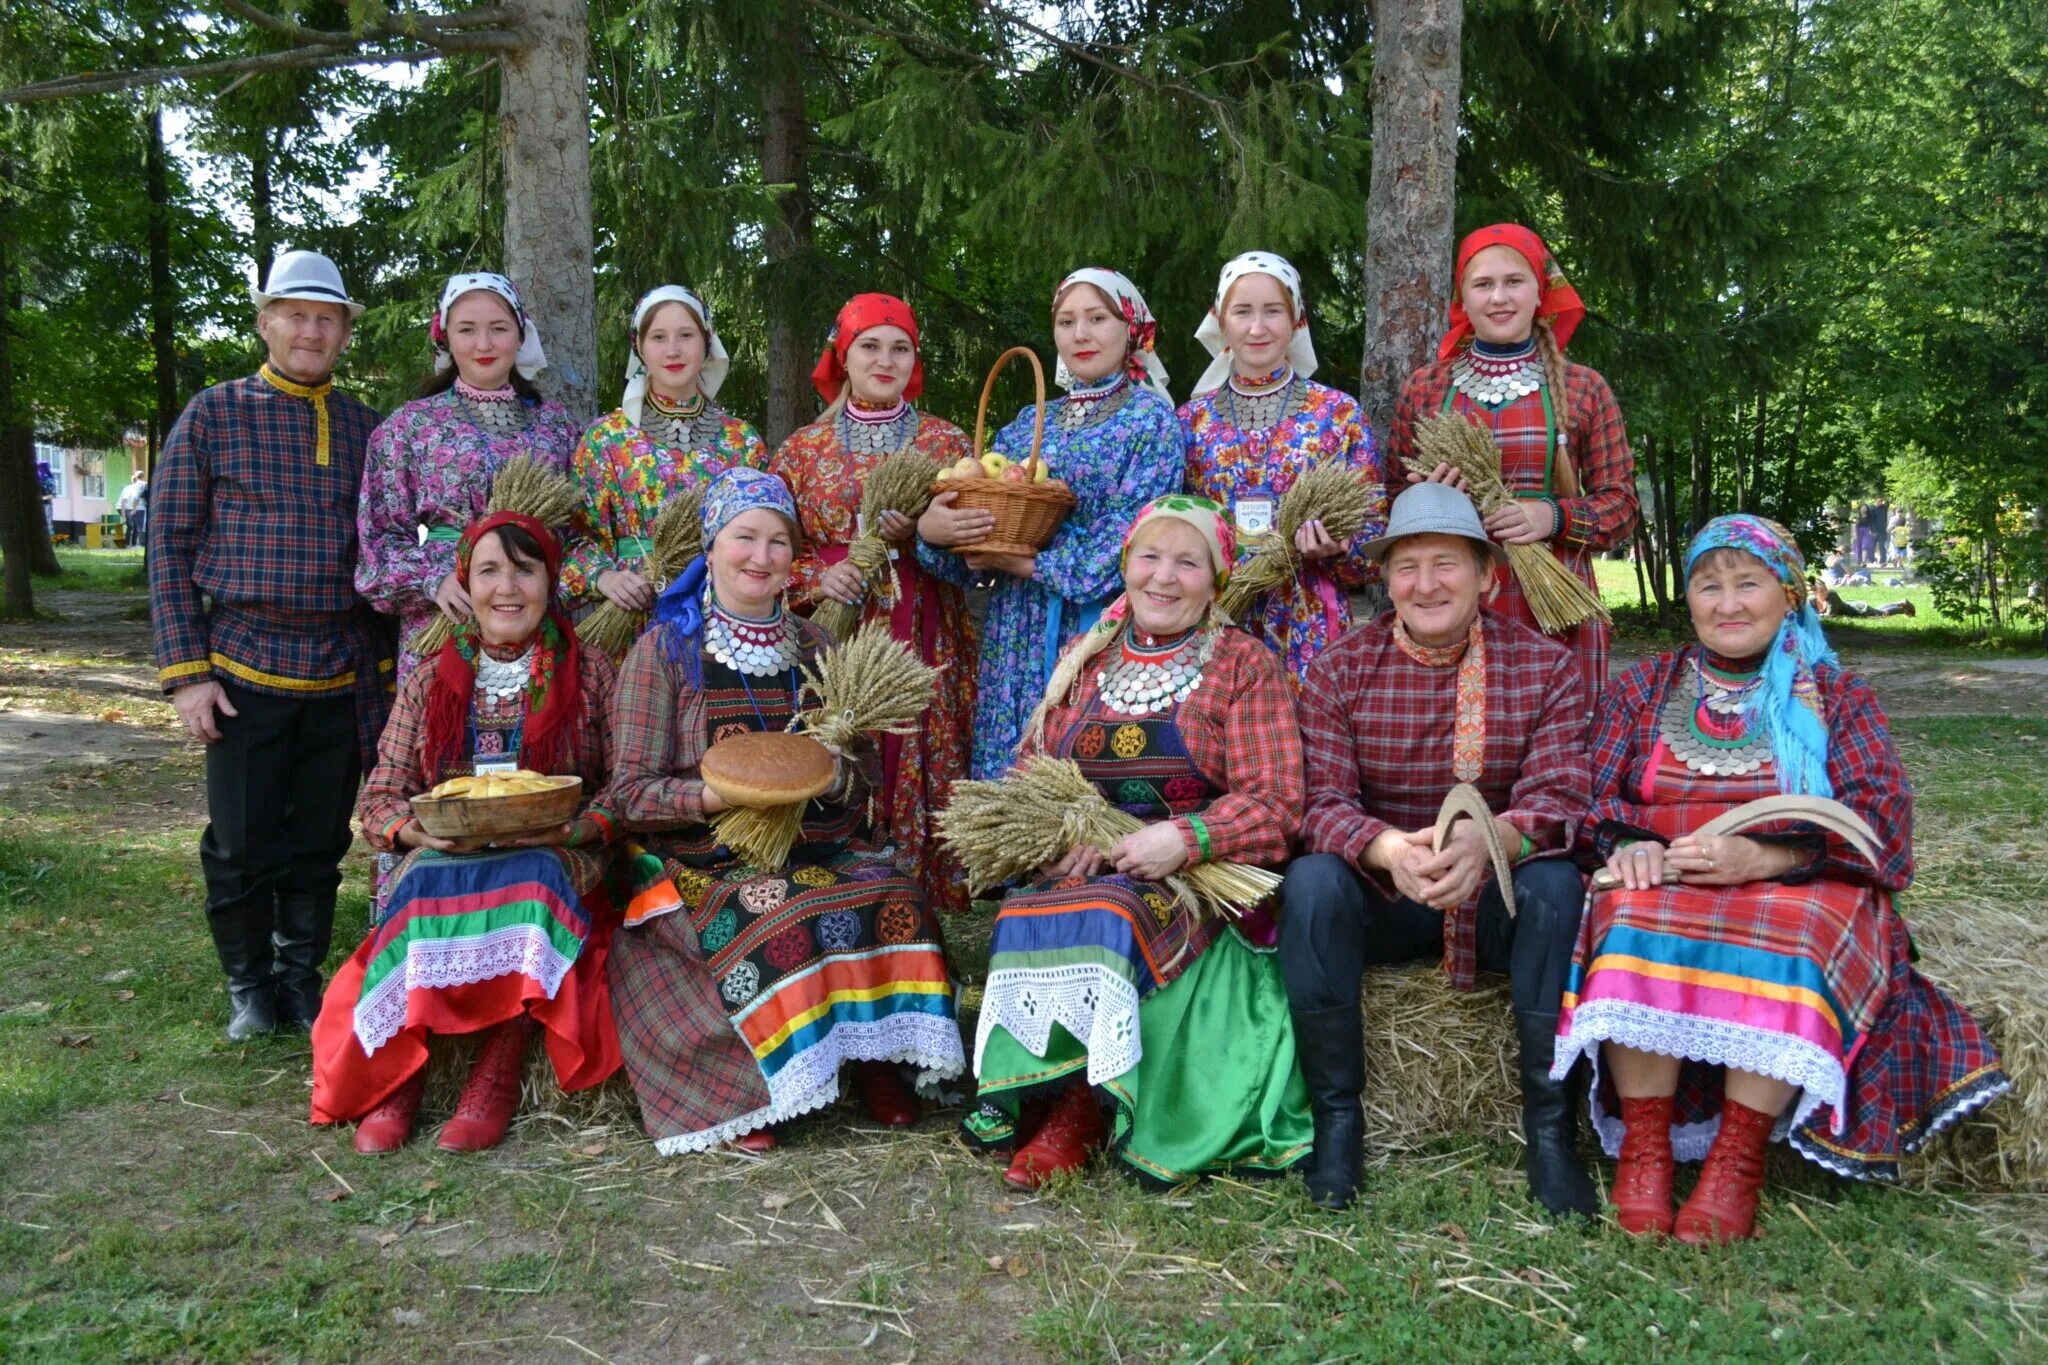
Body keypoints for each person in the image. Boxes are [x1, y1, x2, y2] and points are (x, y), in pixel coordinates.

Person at [1557, 515, 2009, 1243]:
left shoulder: (1835, 695)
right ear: (1690, 598)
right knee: (1629, 912)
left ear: (1789, 593)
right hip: (1671, 869)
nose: (1727, 603)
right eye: (1709, 585)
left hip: (1801, 880)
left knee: (1794, 929)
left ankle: (1737, 1159)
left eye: (1748, 583)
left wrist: (1768, 858)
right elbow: (1584, 800)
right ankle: (1644, 1149)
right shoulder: (1645, 687)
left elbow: (1881, 823)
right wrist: (1633, 841)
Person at [606, 467, 964, 1155]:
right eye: (744, 537)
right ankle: (762, 1083)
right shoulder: (666, 651)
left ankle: (874, 1056)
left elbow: (859, 790)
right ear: (710, 547)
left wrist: (832, 776)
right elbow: (627, 795)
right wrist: (718, 796)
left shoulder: (817, 648)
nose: (761, 556)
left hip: (820, 845)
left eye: (778, 541)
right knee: (775, 909)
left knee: (893, 890)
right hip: (705, 858)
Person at [964, 494, 1312, 1189]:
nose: (1164, 576)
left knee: (1115, 911)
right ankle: (1035, 1084)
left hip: (1199, 882)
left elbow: (1278, 802)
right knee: (1033, 904)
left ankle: (1084, 1106)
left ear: (1215, 581)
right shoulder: (1086, 658)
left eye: (1188, 562)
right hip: (1094, 864)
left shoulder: (1242, 664)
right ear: (1127, 566)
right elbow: (1030, 768)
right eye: (1150, 556)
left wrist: (1186, 839)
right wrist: (1054, 838)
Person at [1280, 482, 1597, 1217]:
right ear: (1386, 579)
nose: (1426, 584)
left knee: (1558, 889)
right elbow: (1319, 804)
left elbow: (1561, 799)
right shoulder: (1337, 669)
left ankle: (1551, 1131)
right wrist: (1387, 848)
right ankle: (1337, 1120)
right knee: (1312, 882)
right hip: (1386, 894)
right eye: (1407, 566)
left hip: (1494, 894)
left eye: (1446, 563)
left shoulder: (1545, 667)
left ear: (1488, 574)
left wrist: (1495, 844)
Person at [310, 513, 623, 1154]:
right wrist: (410, 835)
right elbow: (382, 793)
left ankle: (498, 1067)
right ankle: (402, 1075)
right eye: (489, 571)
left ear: (551, 581)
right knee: (422, 883)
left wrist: (577, 826)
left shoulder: (592, 672)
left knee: (531, 877)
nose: (507, 588)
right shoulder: (431, 676)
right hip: (445, 852)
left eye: (524, 570)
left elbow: (625, 787)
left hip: (554, 855)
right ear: (464, 583)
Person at [148, 249, 392, 1041]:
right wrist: (187, 675)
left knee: (320, 840)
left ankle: (299, 979)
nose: (310, 330)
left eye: (326, 318)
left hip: (340, 669)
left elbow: (385, 545)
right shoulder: (215, 413)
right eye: (295, 314)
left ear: (345, 332)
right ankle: (248, 985)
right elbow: (169, 544)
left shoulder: (365, 427)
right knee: (243, 840)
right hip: (243, 669)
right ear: (265, 322)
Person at [918, 267, 1184, 779]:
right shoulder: (1026, 425)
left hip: (1097, 634)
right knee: (1007, 778)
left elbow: (1131, 546)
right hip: (1014, 631)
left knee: (1079, 787)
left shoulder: (1152, 422)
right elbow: (976, 556)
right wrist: (937, 532)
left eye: (1097, 318)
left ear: (1131, 328)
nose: (1080, 334)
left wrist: (1022, 559)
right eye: (1066, 321)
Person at [768, 294, 976, 913]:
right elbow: (771, 547)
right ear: (843, 354)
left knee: (917, 750)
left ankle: (920, 917)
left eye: (900, 348)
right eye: (869, 345)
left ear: (913, 360)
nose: (884, 360)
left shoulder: (945, 442)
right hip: (834, 636)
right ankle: (841, 910)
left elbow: (973, 546)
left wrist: (923, 533)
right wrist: (814, 578)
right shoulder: (801, 452)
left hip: (923, 630)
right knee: (840, 753)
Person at [1389, 224, 1637, 696]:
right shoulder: (1426, 388)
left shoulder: (1585, 387)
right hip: (1446, 595)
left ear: (1540, 291)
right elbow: (1393, 500)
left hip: (1553, 604)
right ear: (1463, 297)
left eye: (1514, 282)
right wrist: (1431, 501)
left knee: (1553, 742)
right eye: (1483, 284)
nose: (1499, 297)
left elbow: (1622, 507)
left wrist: (1554, 515)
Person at [356, 272, 582, 683]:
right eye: (467, 330)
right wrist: (433, 580)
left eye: (498, 329)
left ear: (520, 335)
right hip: (445, 619)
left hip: (535, 621)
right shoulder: (410, 426)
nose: (484, 344)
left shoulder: (557, 427)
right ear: (445, 338)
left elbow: (580, 531)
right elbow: (378, 541)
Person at [1180, 252, 1387, 687]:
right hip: (1214, 621)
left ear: (1295, 320)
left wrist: (1337, 548)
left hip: (1308, 623)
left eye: (1273, 311)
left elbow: (1374, 543)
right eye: (1243, 312)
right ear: (1222, 322)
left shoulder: (1336, 414)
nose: (1257, 328)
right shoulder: (1190, 422)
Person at [561, 285, 770, 618]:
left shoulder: (741, 441)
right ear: (640, 347)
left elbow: (766, 532)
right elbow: (575, 536)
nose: (673, 350)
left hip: (723, 613)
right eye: (658, 337)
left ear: (706, 343)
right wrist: (604, 576)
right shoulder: (606, 439)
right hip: (635, 611)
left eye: (686, 335)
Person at [1810, 576, 1914, 619]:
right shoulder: (1812, 600)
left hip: (1858, 610)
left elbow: (1831, 615)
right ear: (1814, 593)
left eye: (1825, 589)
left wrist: (1818, 616)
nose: (1825, 592)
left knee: (1882, 614)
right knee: (1878, 609)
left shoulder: (1831, 596)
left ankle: (1902, 609)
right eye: (1821, 591)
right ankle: (1901, 602)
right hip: (1854, 606)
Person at [116, 471, 148, 550]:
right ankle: (127, 545)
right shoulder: (129, 488)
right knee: (130, 525)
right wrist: (123, 517)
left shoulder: (140, 488)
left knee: (136, 526)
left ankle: (133, 545)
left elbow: (137, 500)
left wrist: (134, 509)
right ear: (135, 480)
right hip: (122, 507)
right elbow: (123, 502)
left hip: (131, 508)